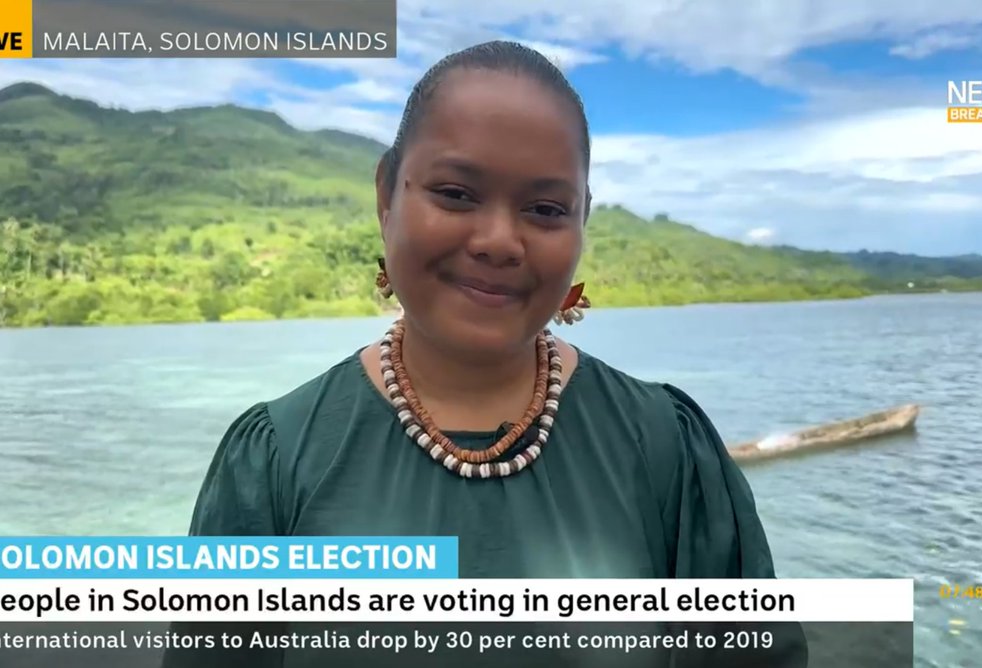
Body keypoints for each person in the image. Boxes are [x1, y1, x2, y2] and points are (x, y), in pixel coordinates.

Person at [163, 40, 805, 668]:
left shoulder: (666, 449)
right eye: (456, 194)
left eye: (546, 208)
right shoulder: (277, 462)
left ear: (583, 219)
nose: (499, 241)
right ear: (387, 194)